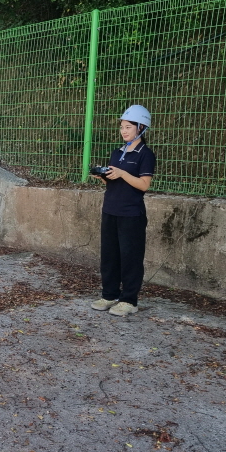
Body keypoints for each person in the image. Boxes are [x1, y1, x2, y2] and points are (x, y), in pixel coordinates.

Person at [90, 104, 156, 317]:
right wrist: (103, 177)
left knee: (130, 257)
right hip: (110, 210)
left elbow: (144, 185)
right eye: (122, 127)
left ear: (141, 128)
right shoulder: (116, 153)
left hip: (131, 214)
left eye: (128, 127)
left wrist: (121, 173)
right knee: (109, 256)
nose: (124, 131)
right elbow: (115, 182)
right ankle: (109, 295)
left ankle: (129, 300)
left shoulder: (145, 154)